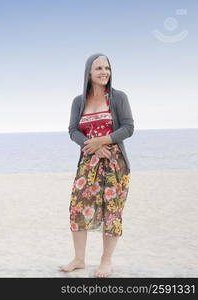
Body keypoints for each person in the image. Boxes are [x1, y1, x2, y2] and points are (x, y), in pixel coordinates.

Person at [60, 53, 134, 277]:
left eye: (107, 68)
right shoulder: (79, 101)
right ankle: (79, 259)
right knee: (77, 209)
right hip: (87, 164)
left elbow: (128, 127)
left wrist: (102, 141)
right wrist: (89, 145)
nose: (104, 72)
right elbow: (73, 130)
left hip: (114, 164)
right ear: (89, 73)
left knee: (112, 212)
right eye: (99, 68)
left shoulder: (118, 97)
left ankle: (106, 261)